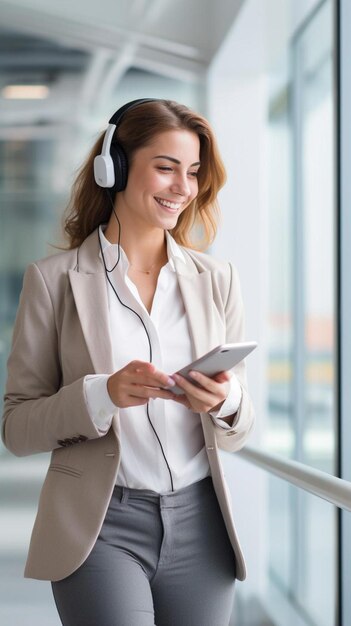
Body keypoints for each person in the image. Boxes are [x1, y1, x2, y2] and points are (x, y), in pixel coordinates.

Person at [2, 98, 255, 626]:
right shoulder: (54, 281)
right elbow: (17, 427)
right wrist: (102, 394)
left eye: (192, 173)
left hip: (202, 522)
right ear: (113, 167)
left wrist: (227, 401)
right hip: (100, 526)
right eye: (165, 168)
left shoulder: (217, 280)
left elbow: (239, 429)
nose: (183, 187)